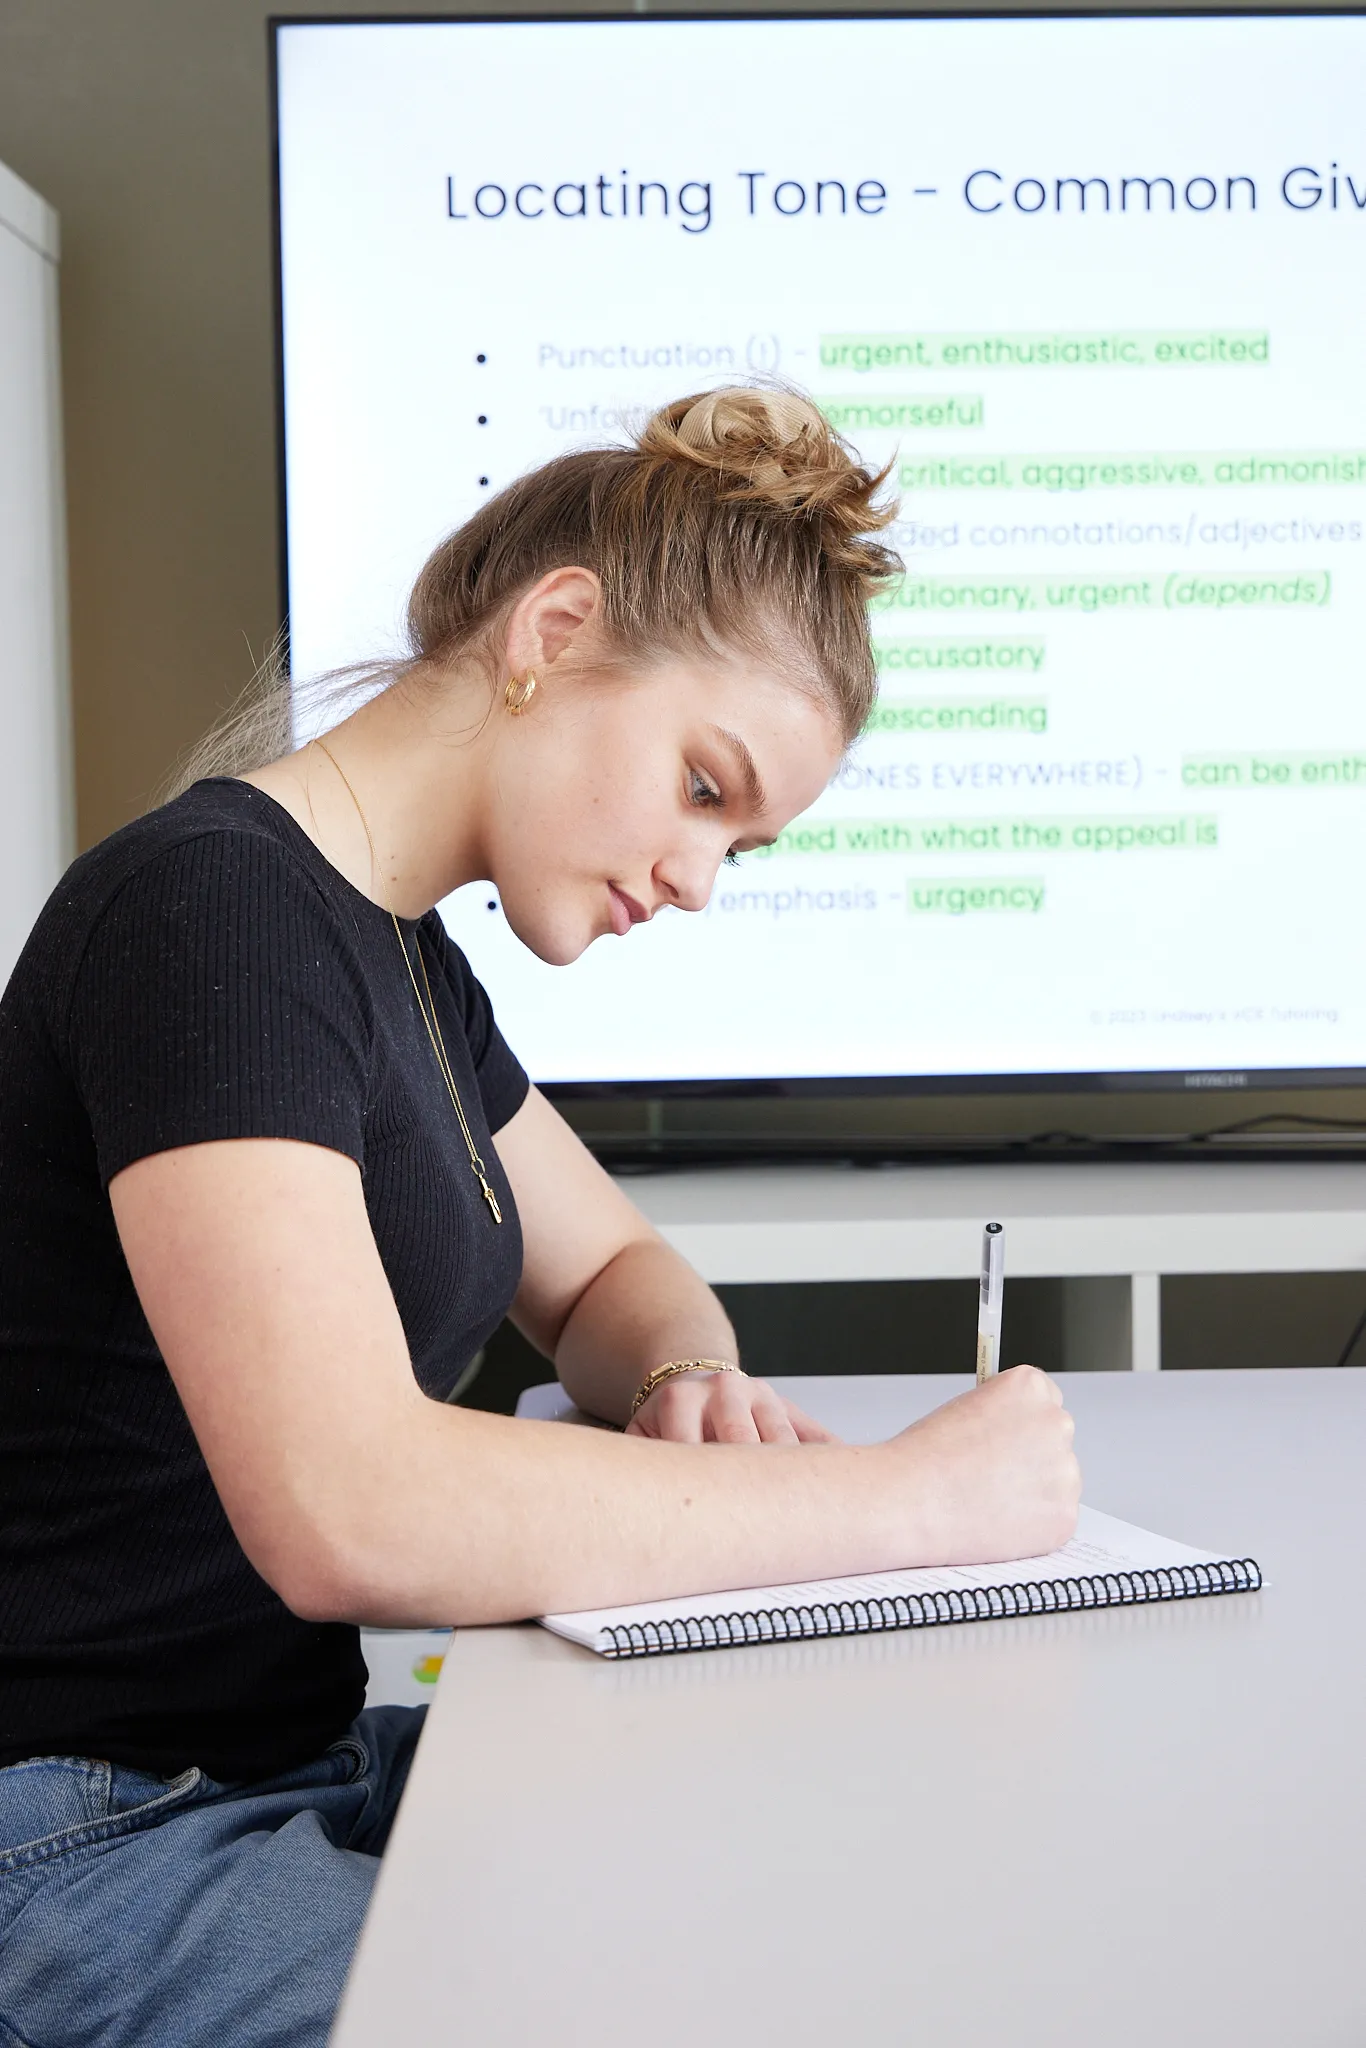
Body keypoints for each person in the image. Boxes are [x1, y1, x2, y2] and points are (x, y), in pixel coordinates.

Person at [0, 386, 1079, 2046]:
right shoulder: (207, 916)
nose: (702, 880)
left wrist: (671, 1385)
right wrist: (907, 1507)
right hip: (82, 1841)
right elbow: (349, 1505)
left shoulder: (406, 965)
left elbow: (620, 1277)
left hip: (285, 1773)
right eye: (705, 790)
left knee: (856, 1863)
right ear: (555, 632)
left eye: (748, 843)